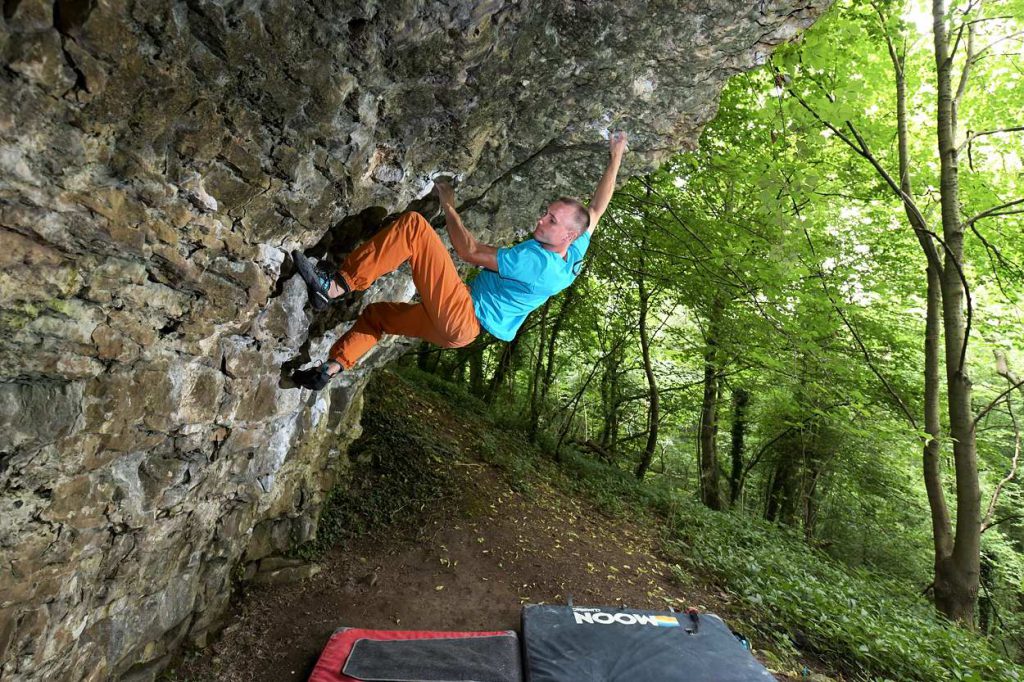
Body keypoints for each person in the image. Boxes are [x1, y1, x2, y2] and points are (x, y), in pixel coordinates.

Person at [290, 131, 628, 390]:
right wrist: (615, 158)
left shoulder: (537, 262)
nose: (542, 220)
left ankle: (335, 286)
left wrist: (448, 204)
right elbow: (597, 209)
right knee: (377, 318)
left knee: (414, 228)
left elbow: (469, 251)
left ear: (567, 234)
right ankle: (331, 368)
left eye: (552, 220)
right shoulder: (574, 250)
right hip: (459, 332)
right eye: (547, 213)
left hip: (463, 314)